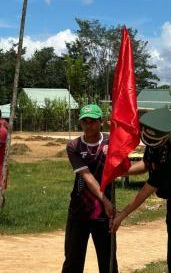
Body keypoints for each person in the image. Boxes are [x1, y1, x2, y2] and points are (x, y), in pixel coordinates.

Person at [111, 108, 171, 273]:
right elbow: (147, 164)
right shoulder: (157, 137)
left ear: (166, 136)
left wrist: (121, 215)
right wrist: (121, 172)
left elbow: (145, 191)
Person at [62, 104, 116, 273]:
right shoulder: (74, 146)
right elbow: (87, 176)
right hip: (80, 210)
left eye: (92, 121)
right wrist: (106, 200)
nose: (88, 125)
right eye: (84, 121)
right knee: (73, 260)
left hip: (104, 214)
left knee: (108, 260)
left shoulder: (111, 142)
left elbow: (123, 166)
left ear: (101, 122)